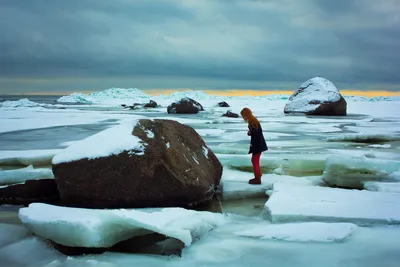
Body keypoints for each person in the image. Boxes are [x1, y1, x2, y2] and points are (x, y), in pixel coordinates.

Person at [240, 108, 268, 185]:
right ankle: (258, 175)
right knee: (254, 160)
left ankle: (257, 178)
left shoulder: (252, 122)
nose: (243, 117)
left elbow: (257, 134)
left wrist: (253, 143)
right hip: (258, 144)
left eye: (243, 116)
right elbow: (256, 132)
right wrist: (250, 133)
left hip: (257, 145)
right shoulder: (253, 121)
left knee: (255, 160)